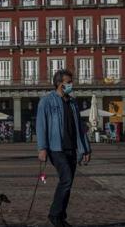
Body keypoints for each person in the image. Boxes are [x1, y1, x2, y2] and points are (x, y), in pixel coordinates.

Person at [37, 69, 91, 227]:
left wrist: (86, 149)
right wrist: (42, 148)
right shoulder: (46, 101)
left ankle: (60, 217)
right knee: (66, 179)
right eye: (68, 82)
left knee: (68, 182)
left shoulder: (73, 103)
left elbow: (80, 128)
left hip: (72, 147)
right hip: (55, 148)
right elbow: (41, 125)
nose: (71, 85)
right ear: (59, 84)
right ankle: (54, 215)